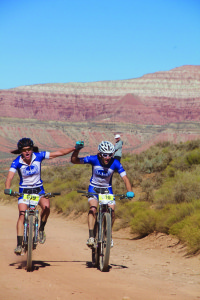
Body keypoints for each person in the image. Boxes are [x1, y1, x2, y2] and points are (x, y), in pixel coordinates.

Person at [5, 137, 77, 255]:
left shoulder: (38, 156)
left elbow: (58, 153)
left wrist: (74, 148)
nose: (27, 152)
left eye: (29, 149)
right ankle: (19, 244)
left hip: (39, 190)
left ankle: (41, 229)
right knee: (22, 215)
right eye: (24, 150)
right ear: (20, 151)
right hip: (24, 192)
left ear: (32, 149)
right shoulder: (16, 162)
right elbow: (9, 177)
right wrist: (7, 189)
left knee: (47, 207)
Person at [71, 140, 134, 248]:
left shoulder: (115, 163)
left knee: (112, 211)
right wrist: (77, 149)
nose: (107, 157)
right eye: (105, 155)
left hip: (107, 190)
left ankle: (107, 235)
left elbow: (125, 178)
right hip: (94, 189)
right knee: (93, 209)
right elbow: (74, 161)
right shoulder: (93, 159)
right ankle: (91, 236)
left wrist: (129, 191)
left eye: (110, 155)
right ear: (100, 154)